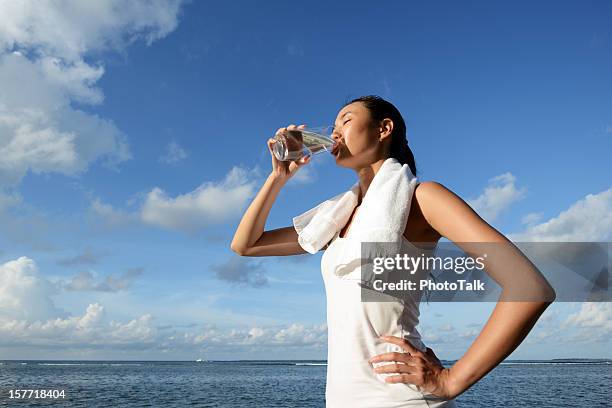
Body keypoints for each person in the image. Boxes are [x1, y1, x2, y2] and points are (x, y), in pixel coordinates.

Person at [231, 95, 556, 407]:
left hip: (403, 400)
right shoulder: (334, 219)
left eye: (345, 121)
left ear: (384, 129)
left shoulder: (422, 199)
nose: (333, 134)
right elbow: (246, 245)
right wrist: (277, 178)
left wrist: (450, 380)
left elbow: (530, 288)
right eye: (331, 127)